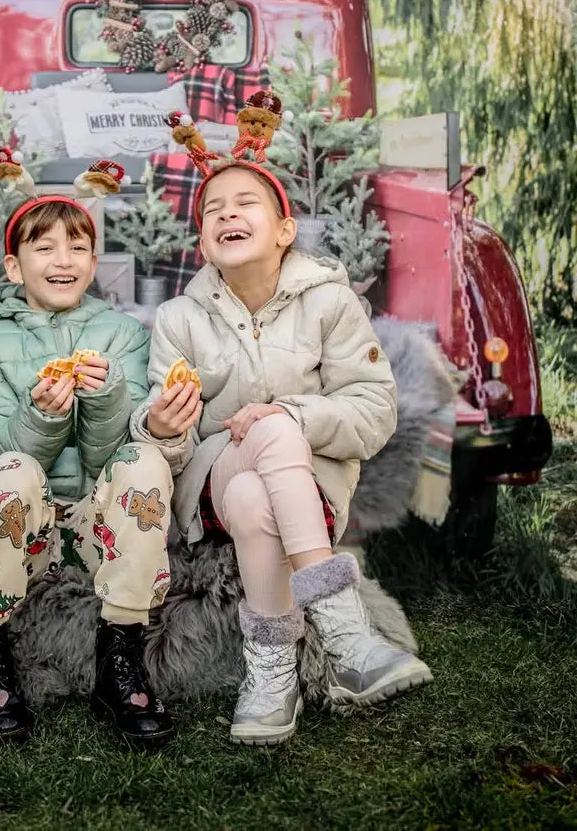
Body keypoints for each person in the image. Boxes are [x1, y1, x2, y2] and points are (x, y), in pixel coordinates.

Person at [130, 151, 432, 746]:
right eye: (213, 210)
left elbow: (375, 411)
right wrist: (162, 427)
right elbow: (171, 446)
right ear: (202, 244)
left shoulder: (331, 304)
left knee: (255, 491)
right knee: (253, 456)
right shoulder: (178, 319)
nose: (227, 215)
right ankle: (347, 636)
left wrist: (293, 414)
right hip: (211, 481)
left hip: (309, 489)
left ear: (285, 230)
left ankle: (273, 675)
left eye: (245, 204)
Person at [0, 183, 174, 749]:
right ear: (13, 264)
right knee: (12, 469)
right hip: (23, 532)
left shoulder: (123, 334)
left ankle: (120, 655)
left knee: (144, 459)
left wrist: (102, 399)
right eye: (44, 247)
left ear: (94, 263)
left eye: (77, 247)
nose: (63, 260)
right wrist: (43, 417)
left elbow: (110, 456)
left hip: (96, 528)